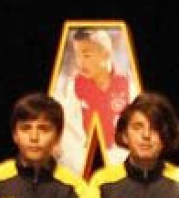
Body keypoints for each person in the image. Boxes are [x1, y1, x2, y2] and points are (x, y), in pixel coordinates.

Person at [54, 28, 133, 177]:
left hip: (120, 163)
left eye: (86, 56)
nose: (80, 62)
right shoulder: (73, 86)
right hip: (82, 163)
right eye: (77, 56)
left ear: (106, 54)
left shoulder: (128, 85)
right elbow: (67, 132)